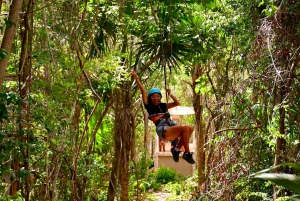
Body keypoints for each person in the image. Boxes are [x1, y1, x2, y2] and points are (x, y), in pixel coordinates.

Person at [131, 70, 195, 164]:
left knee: (190, 128)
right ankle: (187, 153)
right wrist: (136, 78)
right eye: (153, 97)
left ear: (160, 98)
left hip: (170, 126)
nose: (156, 98)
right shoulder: (149, 106)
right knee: (185, 128)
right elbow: (143, 91)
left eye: (157, 96)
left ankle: (176, 150)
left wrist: (170, 94)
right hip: (163, 129)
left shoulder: (163, 106)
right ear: (150, 98)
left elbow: (177, 103)